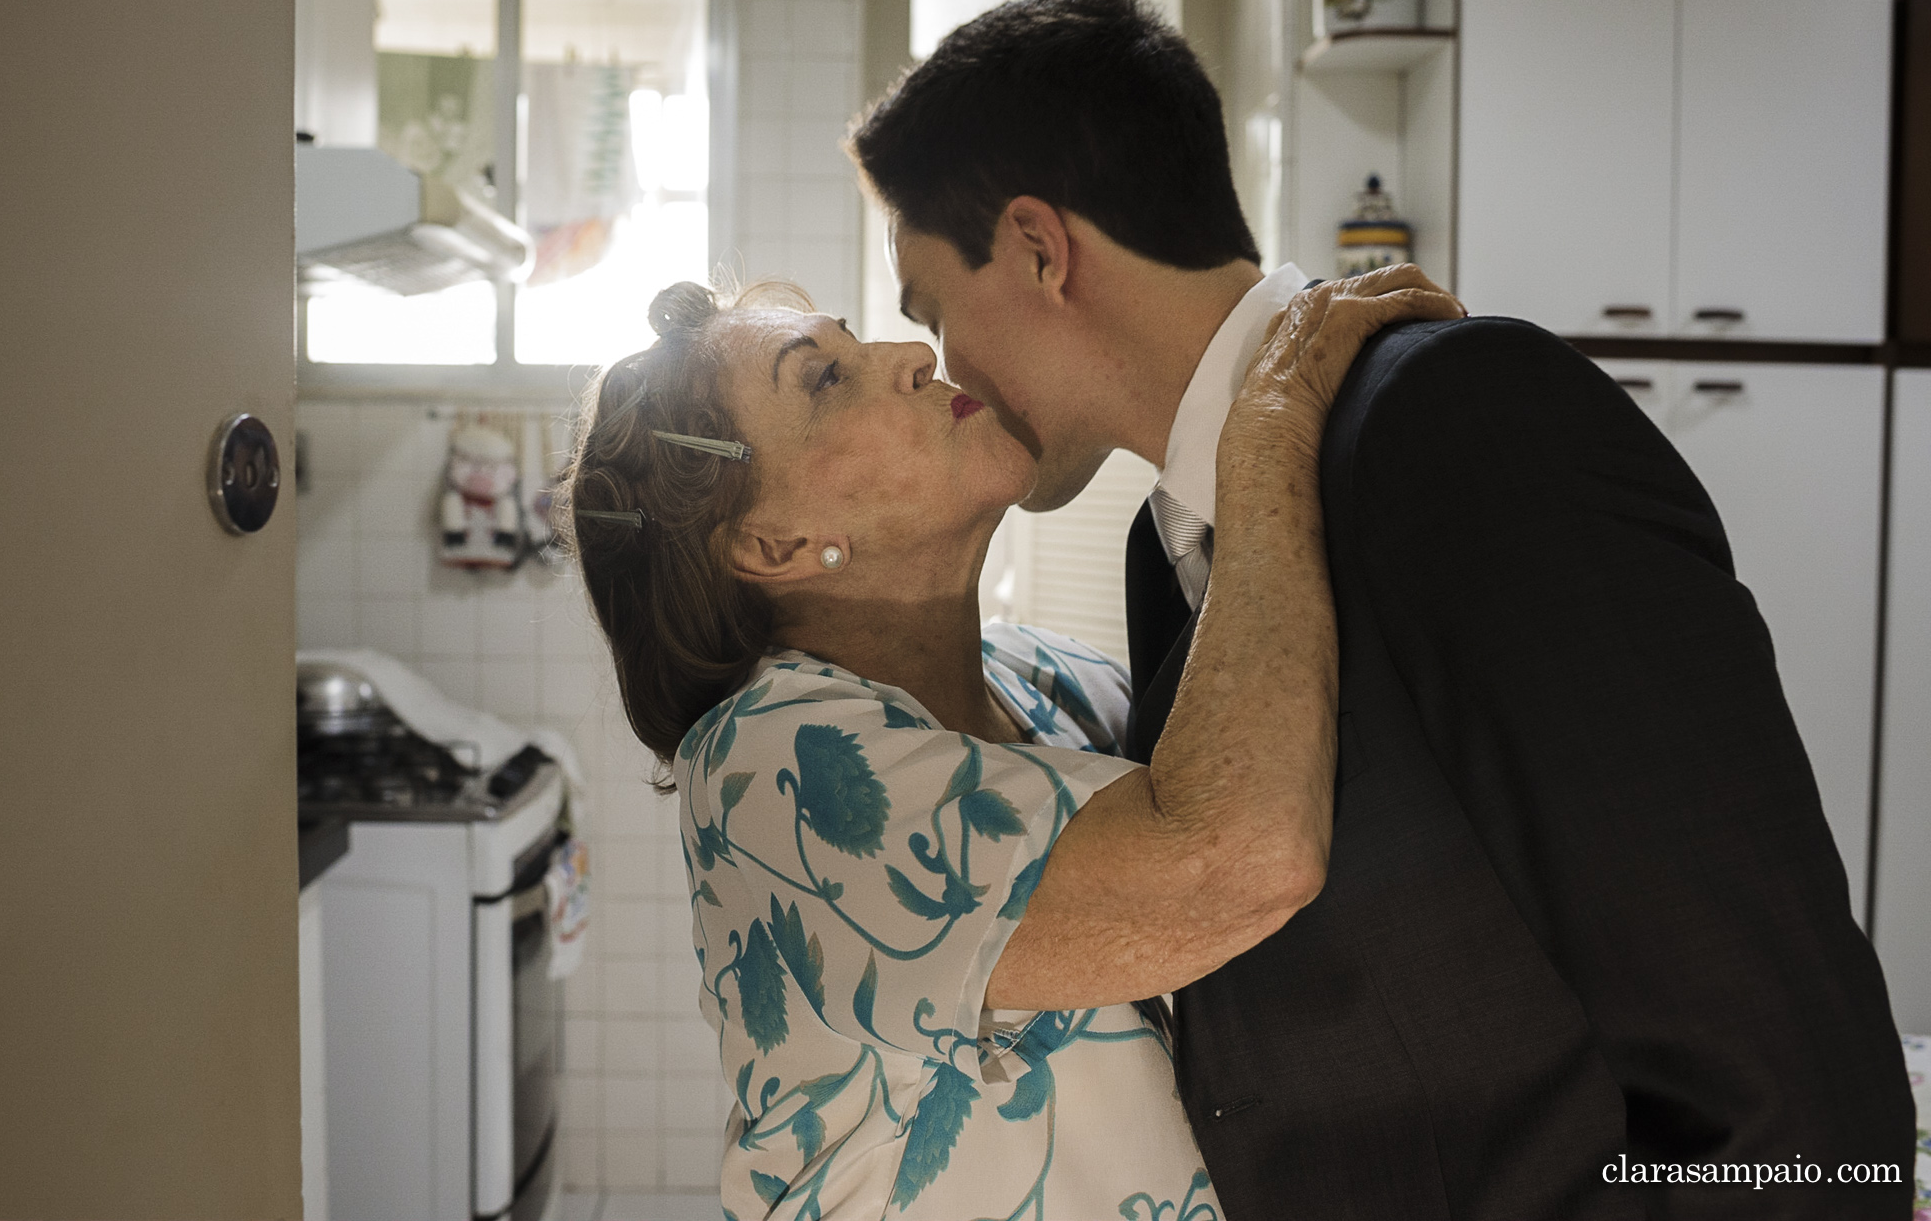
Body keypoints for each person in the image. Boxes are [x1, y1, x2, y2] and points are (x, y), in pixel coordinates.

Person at [848, 0, 1915, 1218]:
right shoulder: (1169, 549)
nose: (941, 367)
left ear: (1039, 248)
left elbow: (1774, 1051)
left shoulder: (1454, 419)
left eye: (931, 309)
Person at [560, 271, 1460, 1219]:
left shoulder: (1043, 679)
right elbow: (1238, 854)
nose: (911, 356)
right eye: (825, 378)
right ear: (774, 545)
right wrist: (1275, 415)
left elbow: (1258, 750)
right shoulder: (767, 770)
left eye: (862, 340)